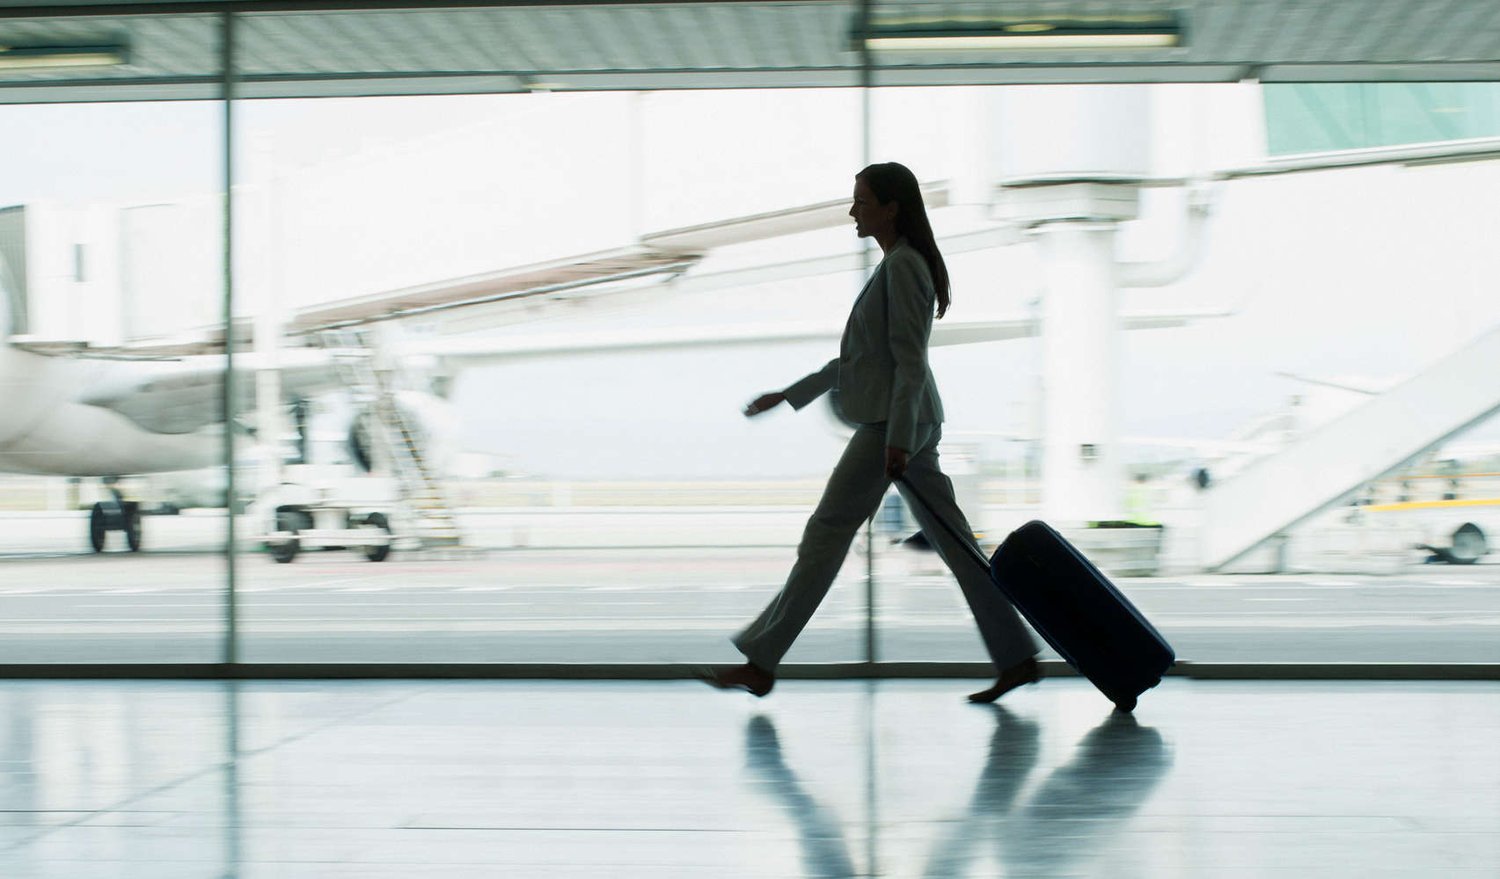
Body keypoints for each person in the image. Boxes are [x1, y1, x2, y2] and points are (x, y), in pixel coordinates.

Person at [700, 162, 1040, 703]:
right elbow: (860, 362)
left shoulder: (903, 268)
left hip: (892, 426)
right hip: (906, 423)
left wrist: (898, 441)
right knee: (955, 547)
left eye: (861, 200)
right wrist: (790, 395)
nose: (852, 210)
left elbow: (909, 362)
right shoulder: (896, 266)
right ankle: (1016, 656)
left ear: (891, 207)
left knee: (826, 535)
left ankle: (762, 661)